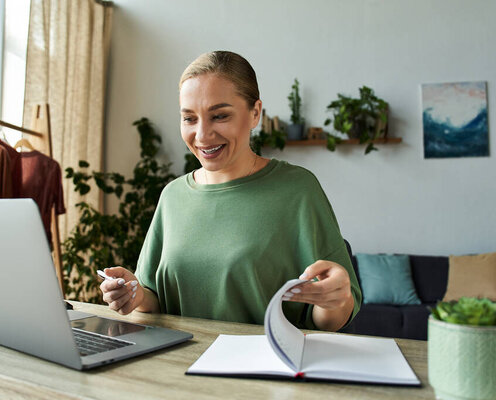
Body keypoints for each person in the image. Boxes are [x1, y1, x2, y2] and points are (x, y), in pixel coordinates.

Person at [101, 51, 361, 331]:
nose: (202, 135)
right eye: (189, 119)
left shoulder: (298, 190)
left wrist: (336, 299)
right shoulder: (172, 196)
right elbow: (154, 301)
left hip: (263, 369)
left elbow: (331, 320)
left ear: (255, 113)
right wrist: (133, 294)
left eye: (219, 115)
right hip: (177, 368)